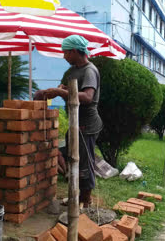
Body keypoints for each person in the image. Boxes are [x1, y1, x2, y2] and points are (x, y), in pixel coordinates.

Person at [34, 35, 103, 208]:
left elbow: (87, 97)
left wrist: (61, 93)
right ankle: (77, 198)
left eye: (65, 52)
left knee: (85, 164)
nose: (63, 56)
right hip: (75, 122)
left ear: (74, 51)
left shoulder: (89, 70)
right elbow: (72, 89)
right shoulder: (74, 70)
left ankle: (85, 201)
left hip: (86, 125)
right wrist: (60, 89)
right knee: (73, 160)